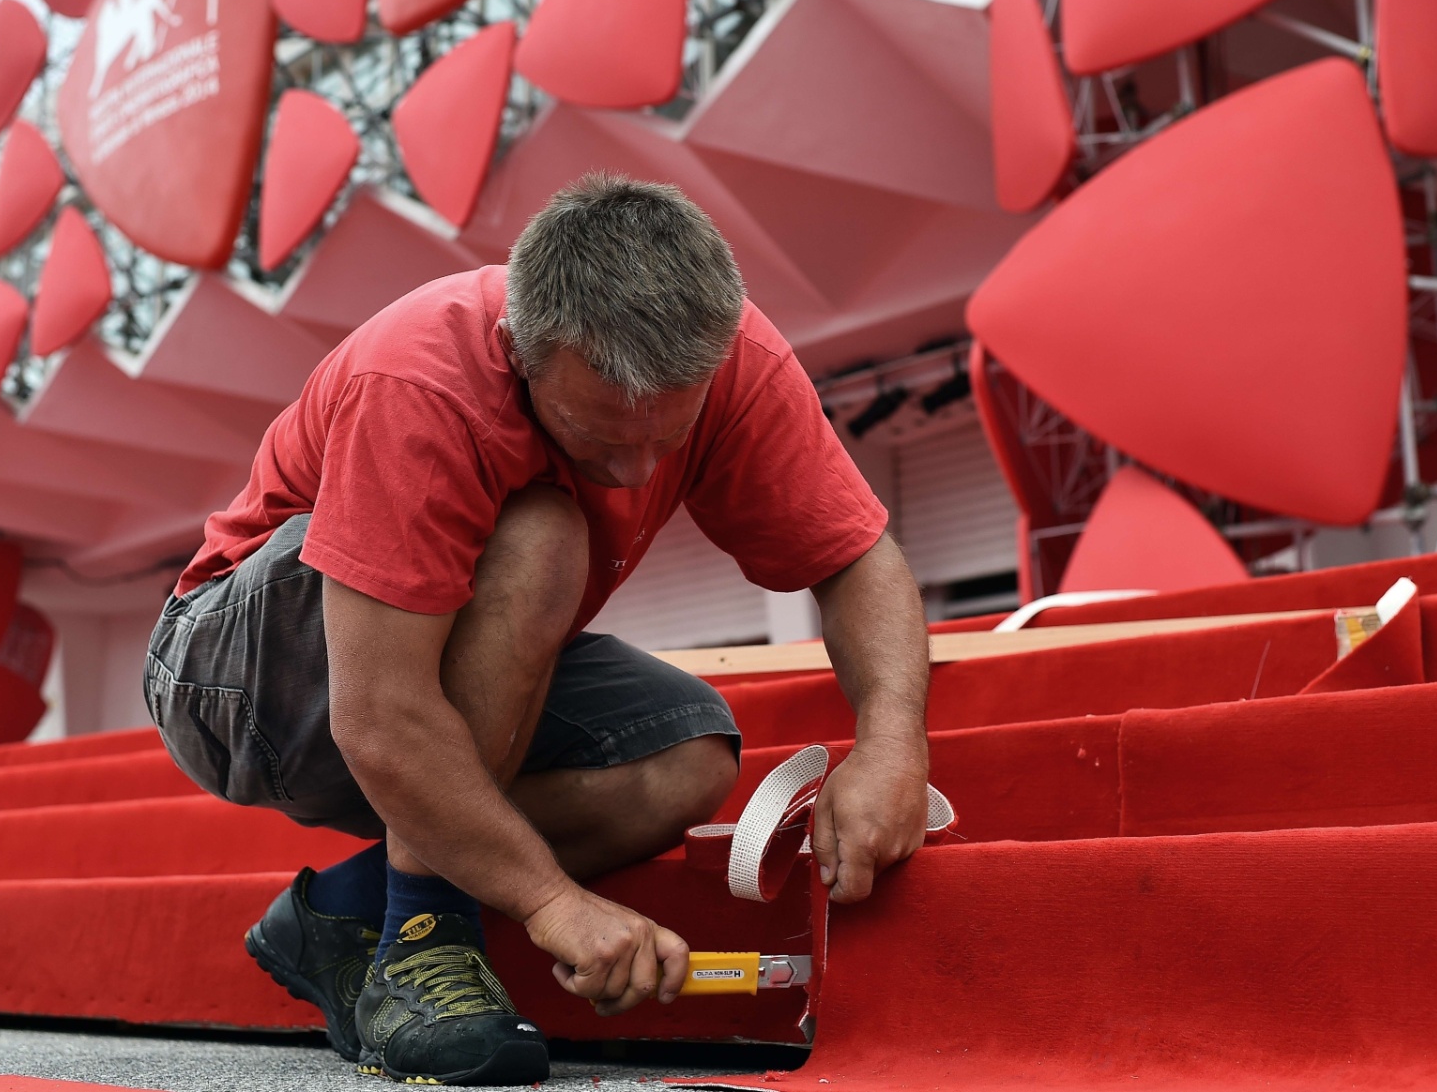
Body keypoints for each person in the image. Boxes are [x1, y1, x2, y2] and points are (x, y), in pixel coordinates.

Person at [145, 175, 932, 1086]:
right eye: (596, 438)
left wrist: (891, 743)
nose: (635, 474)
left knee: (684, 757)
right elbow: (382, 714)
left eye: (664, 441)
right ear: (520, 350)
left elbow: (855, 558)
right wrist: (556, 903)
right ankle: (420, 942)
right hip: (232, 684)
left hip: (412, 670)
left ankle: (340, 915)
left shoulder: (737, 359)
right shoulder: (419, 378)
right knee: (547, 531)